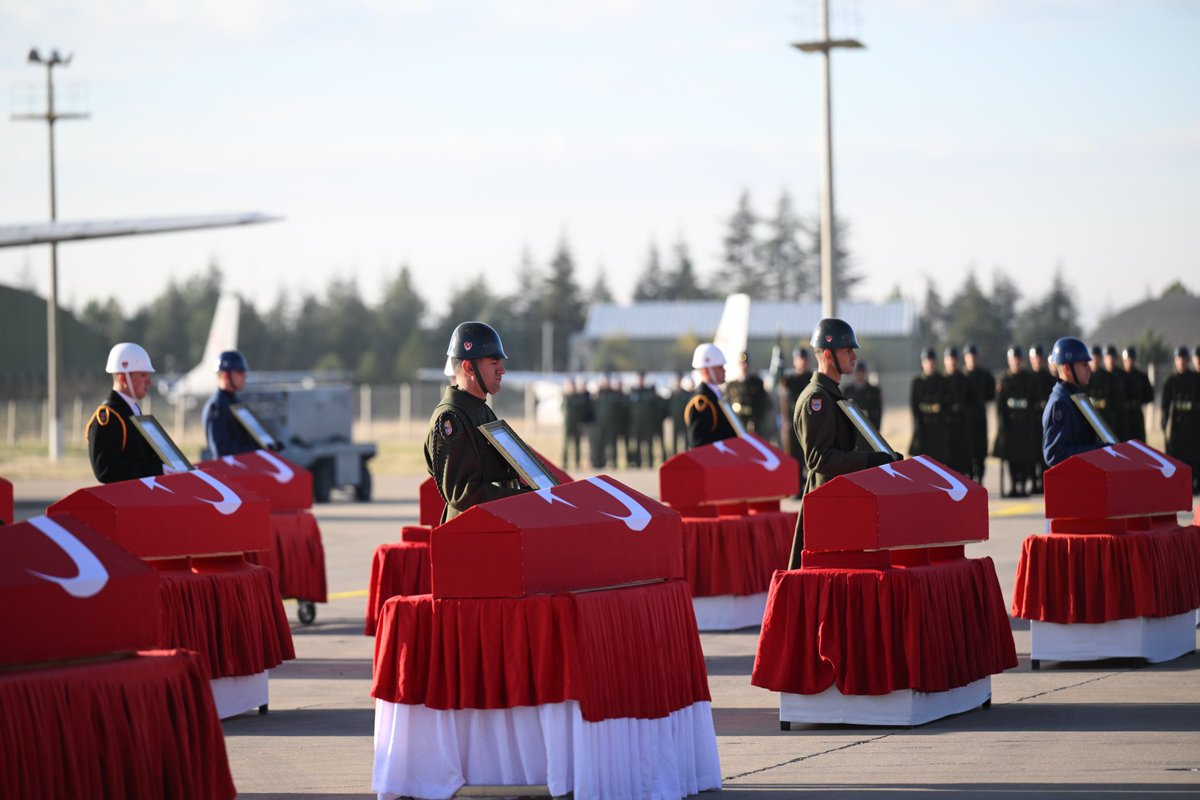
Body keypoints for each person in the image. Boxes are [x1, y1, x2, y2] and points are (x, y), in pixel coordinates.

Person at [788, 318, 898, 568]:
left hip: (839, 499)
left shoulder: (832, 394)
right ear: (828, 355)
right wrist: (869, 461)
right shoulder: (817, 399)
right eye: (847, 350)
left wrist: (883, 459)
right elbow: (818, 458)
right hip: (826, 504)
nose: (854, 356)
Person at [425, 321, 529, 523]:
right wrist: (524, 499)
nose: (502, 370)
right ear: (468, 368)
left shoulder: (480, 410)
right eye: (494, 363)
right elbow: (462, 493)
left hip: (493, 526)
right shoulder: (451, 418)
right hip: (469, 533)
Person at [87, 342, 166, 484]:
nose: (149, 381)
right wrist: (158, 469)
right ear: (124, 378)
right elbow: (106, 471)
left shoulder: (132, 409)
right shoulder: (109, 416)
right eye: (143, 375)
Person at [1043, 336, 1105, 468]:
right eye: (1084, 364)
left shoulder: (1074, 396)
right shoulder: (1060, 403)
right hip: (1071, 479)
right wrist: (1097, 451)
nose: (1089, 369)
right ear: (1067, 368)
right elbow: (1054, 454)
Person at [993, 345, 1040, 497]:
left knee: (1025, 458)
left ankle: (1022, 485)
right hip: (1011, 425)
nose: (1016, 362)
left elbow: (1034, 401)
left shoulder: (1028, 379)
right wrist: (1001, 424)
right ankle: (1013, 485)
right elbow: (1000, 404)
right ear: (1009, 360)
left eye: (1018, 359)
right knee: (1012, 458)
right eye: (1013, 359)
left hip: (1025, 425)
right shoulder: (1004, 380)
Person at [202, 349, 261, 457]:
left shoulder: (236, 403)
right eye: (239, 371)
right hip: (230, 468)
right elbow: (222, 450)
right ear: (225, 375)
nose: (244, 375)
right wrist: (255, 451)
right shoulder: (216, 407)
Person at [1161, 345, 1200, 493]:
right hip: (1177, 424)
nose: (1181, 362)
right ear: (1175, 360)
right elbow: (1165, 403)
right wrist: (1164, 420)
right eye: (1179, 359)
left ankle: (1194, 482)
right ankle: (1177, 484)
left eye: (1184, 359)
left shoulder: (1196, 378)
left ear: (1188, 360)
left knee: (1193, 453)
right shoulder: (1170, 380)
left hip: (1193, 423)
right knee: (1176, 453)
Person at [685, 343, 736, 448]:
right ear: (706, 370)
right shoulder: (701, 402)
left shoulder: (717, 395)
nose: (724, 370)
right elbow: (698, 443)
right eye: (720, 367)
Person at [942, 346, 979, 477]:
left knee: (962, 461)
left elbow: (973, 402)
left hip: (962, 427)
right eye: (949, 359)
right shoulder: (941, 380)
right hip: (946, 428)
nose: (952, 362)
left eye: (954, 359)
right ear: (945, 360)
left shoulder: (965, 380)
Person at [781, 347, 812, 496]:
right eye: (799, 359)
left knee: (809, 454)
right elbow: (779, 387)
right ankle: (798, 486)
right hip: (794, 421)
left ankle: (810, 486)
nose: (802, 362)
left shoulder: (811, 378)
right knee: (795, 455)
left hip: (809, 422)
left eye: (804, 359)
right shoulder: (789, 379)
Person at [963, 343, 995, 484]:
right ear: (965, 358)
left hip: (980, 418)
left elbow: (991, 393)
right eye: (970, 357)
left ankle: (980, 480)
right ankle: (970, 480)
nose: (972, 359)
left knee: (981, 452)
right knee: (968, 452)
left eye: (974, 357)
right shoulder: (962, 376)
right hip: (966, 420)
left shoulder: (984, 375)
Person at [909, 347, 948, 463]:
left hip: (938, 430)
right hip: (923, 428)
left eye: (932, 361)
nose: (930, 364)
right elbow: (914, 407)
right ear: (922, 363)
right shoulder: (917, 382)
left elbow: (946, 405)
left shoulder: (942, 381)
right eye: (927, 361)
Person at [1028, 344, 1056, 493]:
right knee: (1032, 453)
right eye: (1035, 358)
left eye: (1039, 357)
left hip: (1046, 421)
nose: (1037, 360)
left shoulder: (1050, 379)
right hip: (1031, 422)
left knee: (1045, 453)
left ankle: (1044, 483)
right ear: (1031, 359)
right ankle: (1033, 482)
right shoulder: (1027, 378)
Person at [724, 352, 769, 435]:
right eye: (742, 363)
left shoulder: (757, 383)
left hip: (753, 425)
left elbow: (762, 404)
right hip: (737, 425)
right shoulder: (731, 386)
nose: (744, 366)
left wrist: (755, 421)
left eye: (746, 363)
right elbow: (727, 406)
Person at [1120, 346, 1154, 442]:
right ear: (1123, 360)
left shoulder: (1141, 377)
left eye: (1131, 359)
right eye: (1127, 360)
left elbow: (1149, 396)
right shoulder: (1117, 376)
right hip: (1122, 415)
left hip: (1136, 414)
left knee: (1139, 441)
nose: (1129, 362)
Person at [843, 360, 882, 430]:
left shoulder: (874, 391)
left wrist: (876, 429)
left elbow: (878, 412)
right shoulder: (847, 391)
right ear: (854, 373)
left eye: (862, 372)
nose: (860, 374)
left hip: (868, 426)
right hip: (852, 427)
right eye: (858, 371)